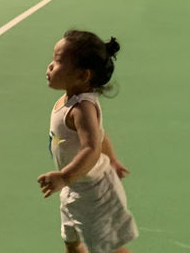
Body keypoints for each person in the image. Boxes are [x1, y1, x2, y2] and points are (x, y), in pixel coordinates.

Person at [38, 29, 138, 253]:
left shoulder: (82, 108)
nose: (50, 66)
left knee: (107, 248)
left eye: (58, 61)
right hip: (74, 187)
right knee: (72, 243)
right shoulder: (69, 99)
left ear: (83, 75)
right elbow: (100, 135)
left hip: (91, 192)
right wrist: (111, 159)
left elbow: (92, 147)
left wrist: (64, 176)